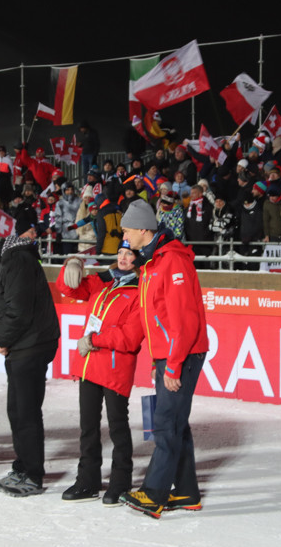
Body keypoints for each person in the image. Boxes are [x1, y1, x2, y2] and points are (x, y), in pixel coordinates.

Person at [118, 199, 208, 518]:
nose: (125, 235)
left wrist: (172, 363)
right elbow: (152, 315)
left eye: (128, 229)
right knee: (175, 423)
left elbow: (185, 321)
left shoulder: (172, 261)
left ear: (144, 229)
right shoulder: (153, 261)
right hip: (168, 353)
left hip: (180, 354)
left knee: (166, 423)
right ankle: (185, 492)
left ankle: (154, 494)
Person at [0, 224, 59, 498]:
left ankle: (32, 474)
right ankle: (23, 466)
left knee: (25, 411)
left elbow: (18, 311)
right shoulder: (8, 257)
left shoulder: (15, 260)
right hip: (22, 344)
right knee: (16, 410)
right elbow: (4, 307)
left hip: (31, 344)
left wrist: (1, 340)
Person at [57, 241, 143, 506]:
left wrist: (95, 339)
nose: (124, 258)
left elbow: (130, 337)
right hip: (89, 365)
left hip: (115, 367)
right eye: (120, 253)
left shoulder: (140, 291)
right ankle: (88, 480)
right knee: (88, 427)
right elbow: (69, 288)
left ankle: (121, 481)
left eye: (130, 254)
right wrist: (71, 265)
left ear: (138, 259)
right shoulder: (102, 282)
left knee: (117, 426)